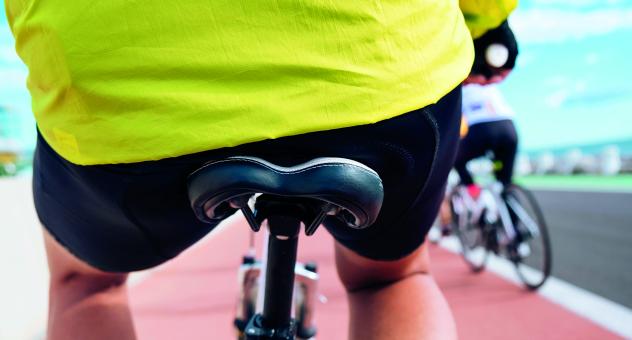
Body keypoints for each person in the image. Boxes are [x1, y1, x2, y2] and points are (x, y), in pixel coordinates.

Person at [5, 1, 517, 339]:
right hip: (378, 67)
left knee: (87, 287)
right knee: (390, 279)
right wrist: (485, 22)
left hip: (121, 81)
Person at [454, 83, 519, 199]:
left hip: (481, 129)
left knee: (455, 159)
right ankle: (511, 213)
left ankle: (473, 189)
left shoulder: (460, 87)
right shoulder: (490, 84)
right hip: (509, 128)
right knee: (504, 181)